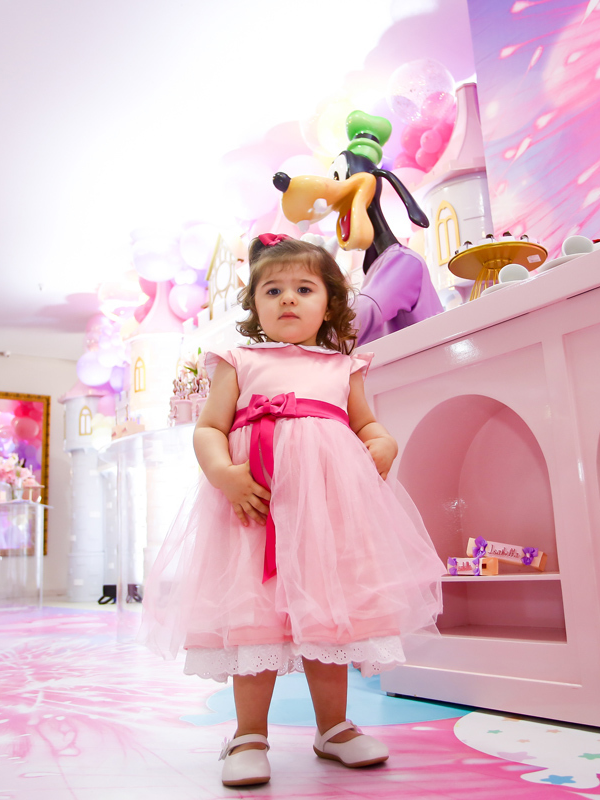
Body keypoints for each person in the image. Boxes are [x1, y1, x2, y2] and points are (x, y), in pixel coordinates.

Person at [140, 234, 443, 787]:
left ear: (329, 304)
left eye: (304, 289)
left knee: (328, 616)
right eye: (272, 290)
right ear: (255, 304)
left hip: (326, 518)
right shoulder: (239, 359)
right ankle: (249, 734)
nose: (287, 299)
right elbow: (208, 428)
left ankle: (335, 729)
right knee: (253, 617)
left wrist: (383, 443)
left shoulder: (344, 366)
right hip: (254, 511)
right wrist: (225, 474)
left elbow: (366, 424)